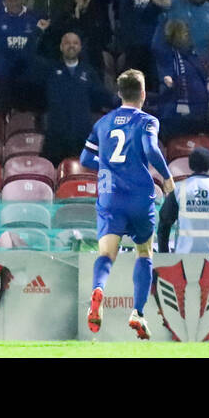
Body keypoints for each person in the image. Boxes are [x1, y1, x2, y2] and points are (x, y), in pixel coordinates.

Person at [81, 69, 176, 339]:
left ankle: (98, 291)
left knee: (106, 254)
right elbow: (150, 149)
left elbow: (85, 159)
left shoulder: (103, 123)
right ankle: (138, 313)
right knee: (144, 253)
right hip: (139, 196)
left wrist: (109, 166)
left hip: (110, 196)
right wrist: (167, 178)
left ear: (119, 94)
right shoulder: (147, 121)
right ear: (143, 94)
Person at [36, 29, 120, 164]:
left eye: (75, 43)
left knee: (81, 176)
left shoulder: (88, 72)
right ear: (61, 47)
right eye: (67, 43)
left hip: (81, 135)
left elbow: (103, 96)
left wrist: (125, 99)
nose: (71, 46)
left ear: (80, 47)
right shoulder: (50, 71)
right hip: (56, 136)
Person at [157, 147, 209, 254]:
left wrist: (164, 254)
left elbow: (164, 224)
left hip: (184, 257)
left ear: (190, 165)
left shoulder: (178, 190)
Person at [151, 19, 209, 142]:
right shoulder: (168, 57)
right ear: (173, 37)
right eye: (184, 33)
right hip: (177, 118)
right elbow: (156, 46)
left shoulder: (194, 56)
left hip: (200, 115)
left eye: (188, 32)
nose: (188, 36)